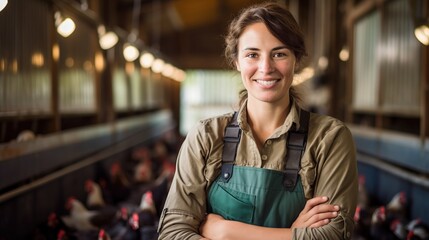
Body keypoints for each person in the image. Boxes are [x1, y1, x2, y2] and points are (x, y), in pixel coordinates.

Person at [157, 2, 358, 240]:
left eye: (279, 54)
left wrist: (226, 232)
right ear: (236, 61)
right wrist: (292, 234)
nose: (266, 67)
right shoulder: (206, 136)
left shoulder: (329, 138)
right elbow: (172, 233)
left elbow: (332, 235)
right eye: (252, 54)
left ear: (297, 59)